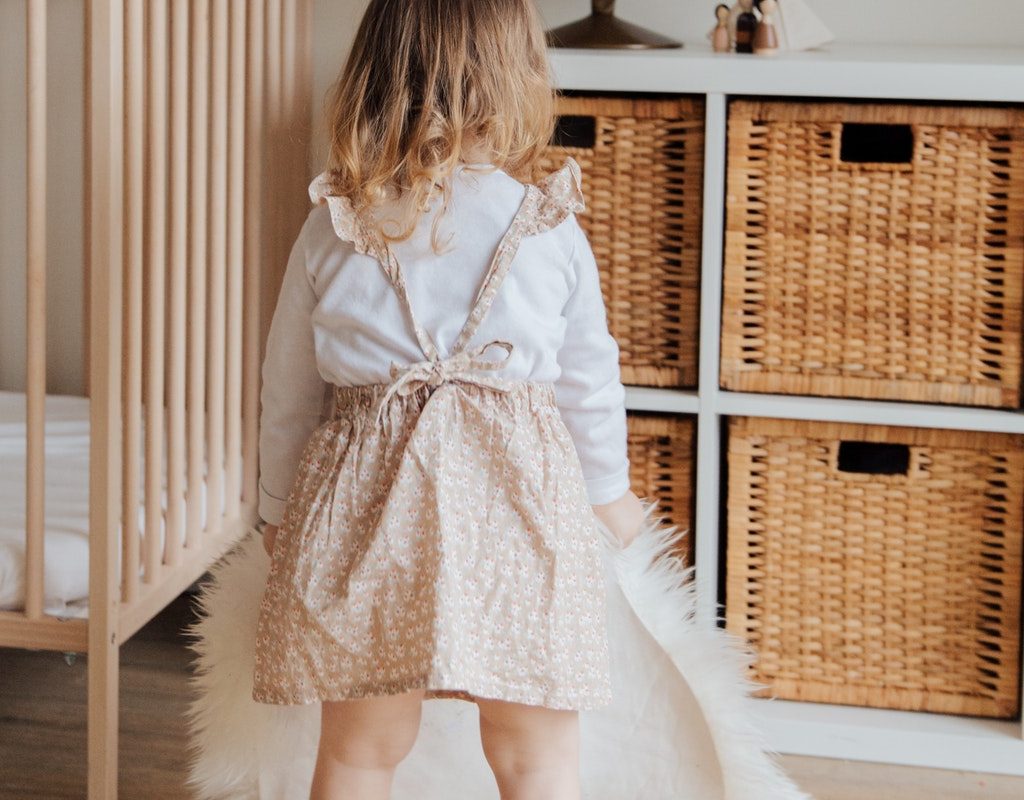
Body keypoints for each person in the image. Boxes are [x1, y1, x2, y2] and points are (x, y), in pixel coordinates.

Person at [251, 1, 644, 798]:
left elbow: (287, 388)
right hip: (519, 513)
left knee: (362, 749)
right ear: (519, 79)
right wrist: (610, 497)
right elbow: (588, 382)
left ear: (372, 79)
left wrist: (278, 508)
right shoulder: (547, 227)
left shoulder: (335, 224)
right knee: (537, 754)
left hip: (367, 516)